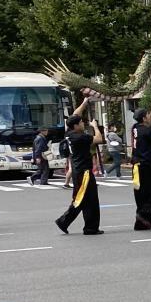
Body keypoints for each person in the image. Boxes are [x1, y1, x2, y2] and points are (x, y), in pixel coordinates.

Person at [54, 100, 105, 235]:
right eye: (81, 123)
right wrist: (95, 126)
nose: (83, 124)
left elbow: (75, 114)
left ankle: (85, 226)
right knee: (88, 199)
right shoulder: (80, 137)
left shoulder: (69, 133)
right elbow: (99, 139)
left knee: (83, 198)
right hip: (84, 172)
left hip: (78, 170)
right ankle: (71, 223)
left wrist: (84, 103)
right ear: (76, 126)